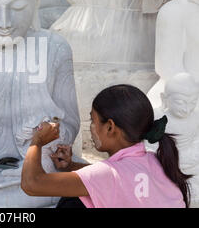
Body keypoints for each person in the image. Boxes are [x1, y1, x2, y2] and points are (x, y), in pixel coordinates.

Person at [21, 84, 192, 208]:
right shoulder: (155, 159)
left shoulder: (107, 175)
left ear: (110, 127)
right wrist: (71, 166)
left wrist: (37, 141)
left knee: (73, 202)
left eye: (93, 121)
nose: (91, 127)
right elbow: (116, 179)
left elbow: (32, 184)